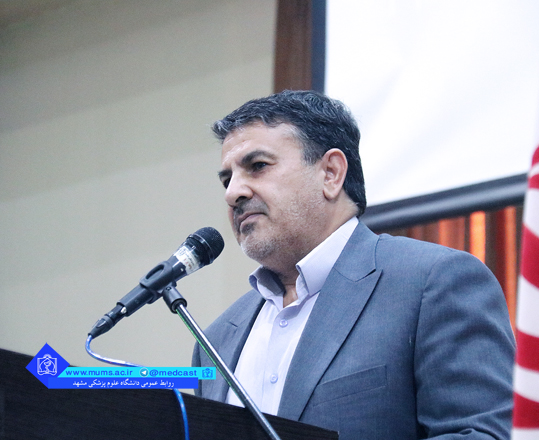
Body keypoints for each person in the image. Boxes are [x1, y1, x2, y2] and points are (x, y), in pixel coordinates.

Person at [192, 90, 515, 440]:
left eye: (258, 166)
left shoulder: (433, 283)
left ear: (331, 173)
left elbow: (482, 434)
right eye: (227, 180)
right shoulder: (216, 339)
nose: (233, 193)